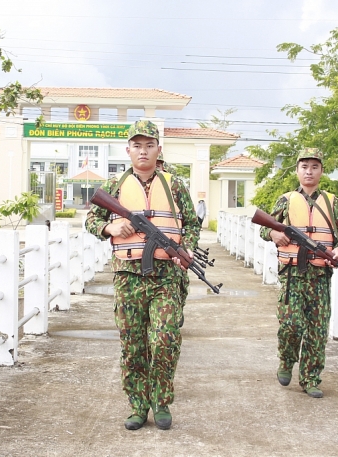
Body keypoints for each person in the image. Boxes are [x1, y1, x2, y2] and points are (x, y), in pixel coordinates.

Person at [86, 119, 200, 430]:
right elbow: (91, 221)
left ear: (158, 149)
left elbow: (192, 224)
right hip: (128, 277)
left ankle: (161, 402)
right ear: (128, 150)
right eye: (137, 145)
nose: (143, 151)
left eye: (149, 145)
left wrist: (185, 248)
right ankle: (138, 405)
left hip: (166, 276)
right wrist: (110, 227)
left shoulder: (174, 184)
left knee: (164, 338)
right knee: (133, 343)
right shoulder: (114, 186)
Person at [259, 148, 338, 398]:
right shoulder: (286, 199)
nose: (309, 171)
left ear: (321, 171)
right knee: (291, 324)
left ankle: (311, 378)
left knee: (317, 330)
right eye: (304, 167)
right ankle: (286, 359)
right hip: (292, 275)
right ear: (297, 170)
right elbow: (263, 228)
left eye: (314, 167)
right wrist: (274, 234)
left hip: (320, 277)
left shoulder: (332, 202)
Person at [156, 153, 190, 328]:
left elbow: (190, 222)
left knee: (182, 283)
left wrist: (188, 246)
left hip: (171, 259)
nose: (156, 167)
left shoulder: (174, 186)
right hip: (135, 267)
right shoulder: (126, 184)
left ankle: (177, 309)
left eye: (159, 164)